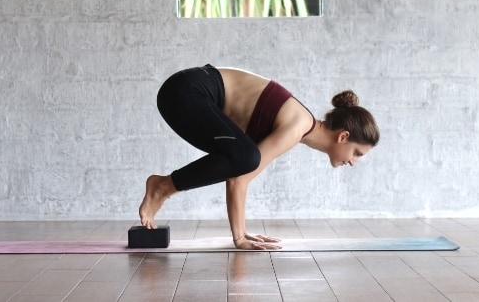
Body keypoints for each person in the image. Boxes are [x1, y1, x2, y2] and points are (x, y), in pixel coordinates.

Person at [138, 64, 380, 250]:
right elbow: (239, 178)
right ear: (343, 136)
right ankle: (162, 186)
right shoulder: (298, 126)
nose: (353, 161)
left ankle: (164, 185)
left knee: (242, 156)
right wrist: (240, 237)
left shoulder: (300, 125)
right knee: (245, 157)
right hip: (185, 92)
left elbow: (237, 173)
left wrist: (242, 232)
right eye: (357, 153)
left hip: (183, 91)